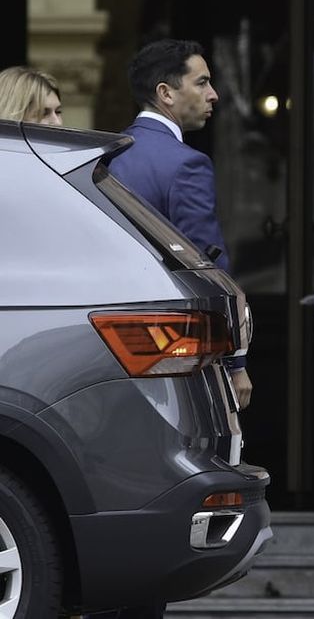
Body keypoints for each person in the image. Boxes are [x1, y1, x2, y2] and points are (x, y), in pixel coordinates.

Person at [108, 38, 251, 411]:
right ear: (165, 93)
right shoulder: (187, 164)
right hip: (173, 351)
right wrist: (235, 363)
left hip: (106, 341)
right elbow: (206, 266)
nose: (214, 94)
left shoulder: (104, 157)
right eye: (202, 82)